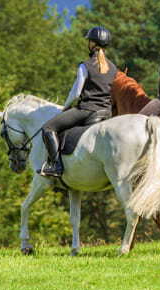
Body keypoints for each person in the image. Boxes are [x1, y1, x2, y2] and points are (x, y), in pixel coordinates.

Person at [39, 26, 117, 178]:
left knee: (48, 128)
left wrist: (65, 108)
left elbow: (75, 93)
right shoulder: (113, 68)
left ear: (92, 44)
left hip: (86, 110)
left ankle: (56, 165)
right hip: (106, 112)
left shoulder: (85, 65)